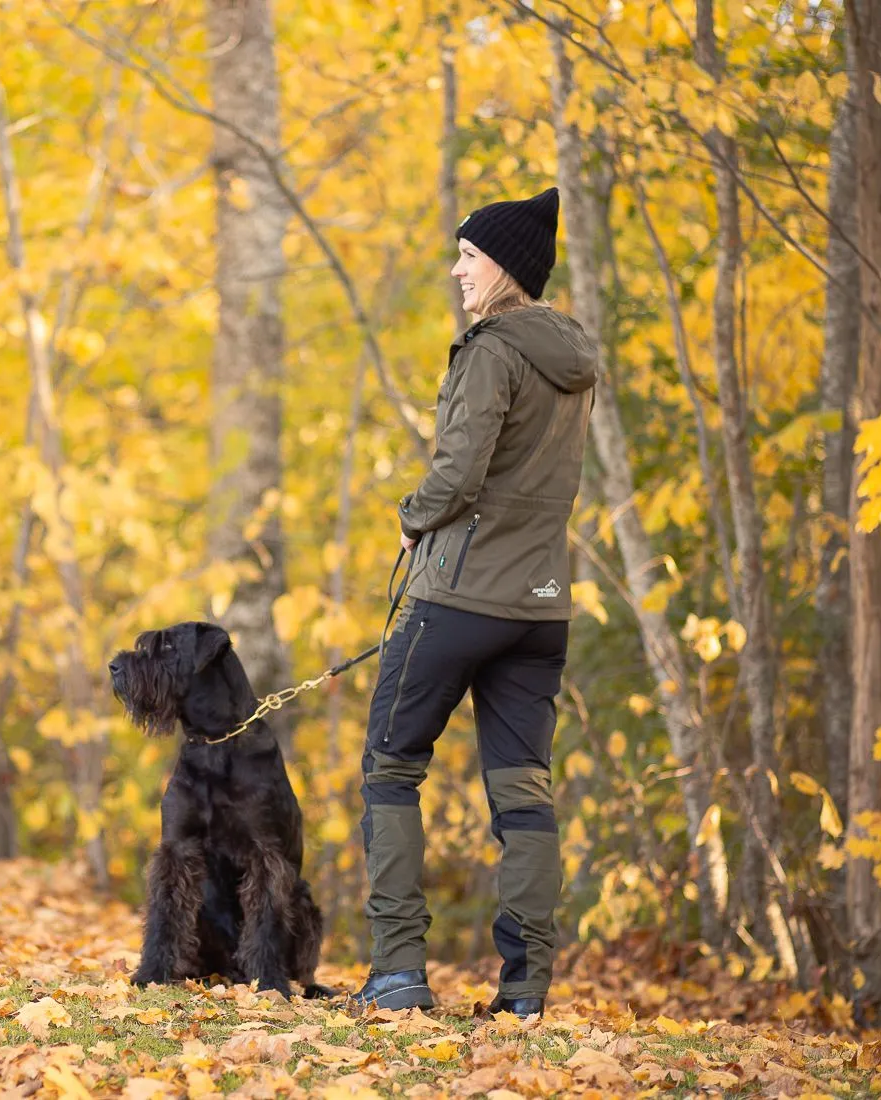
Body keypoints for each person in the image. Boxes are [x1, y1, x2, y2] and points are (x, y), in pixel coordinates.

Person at [348, 187, 598, 1017]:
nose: (458, 268)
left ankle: (397, 972)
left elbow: (457, 474)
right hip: (541, 607)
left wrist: (412, 518)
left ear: (507, 268)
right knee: (524, 793)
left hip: (457, 598)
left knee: (389, 765)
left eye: (470, 255)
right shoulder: (574, 357)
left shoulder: (490, 349)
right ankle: (525, 993)